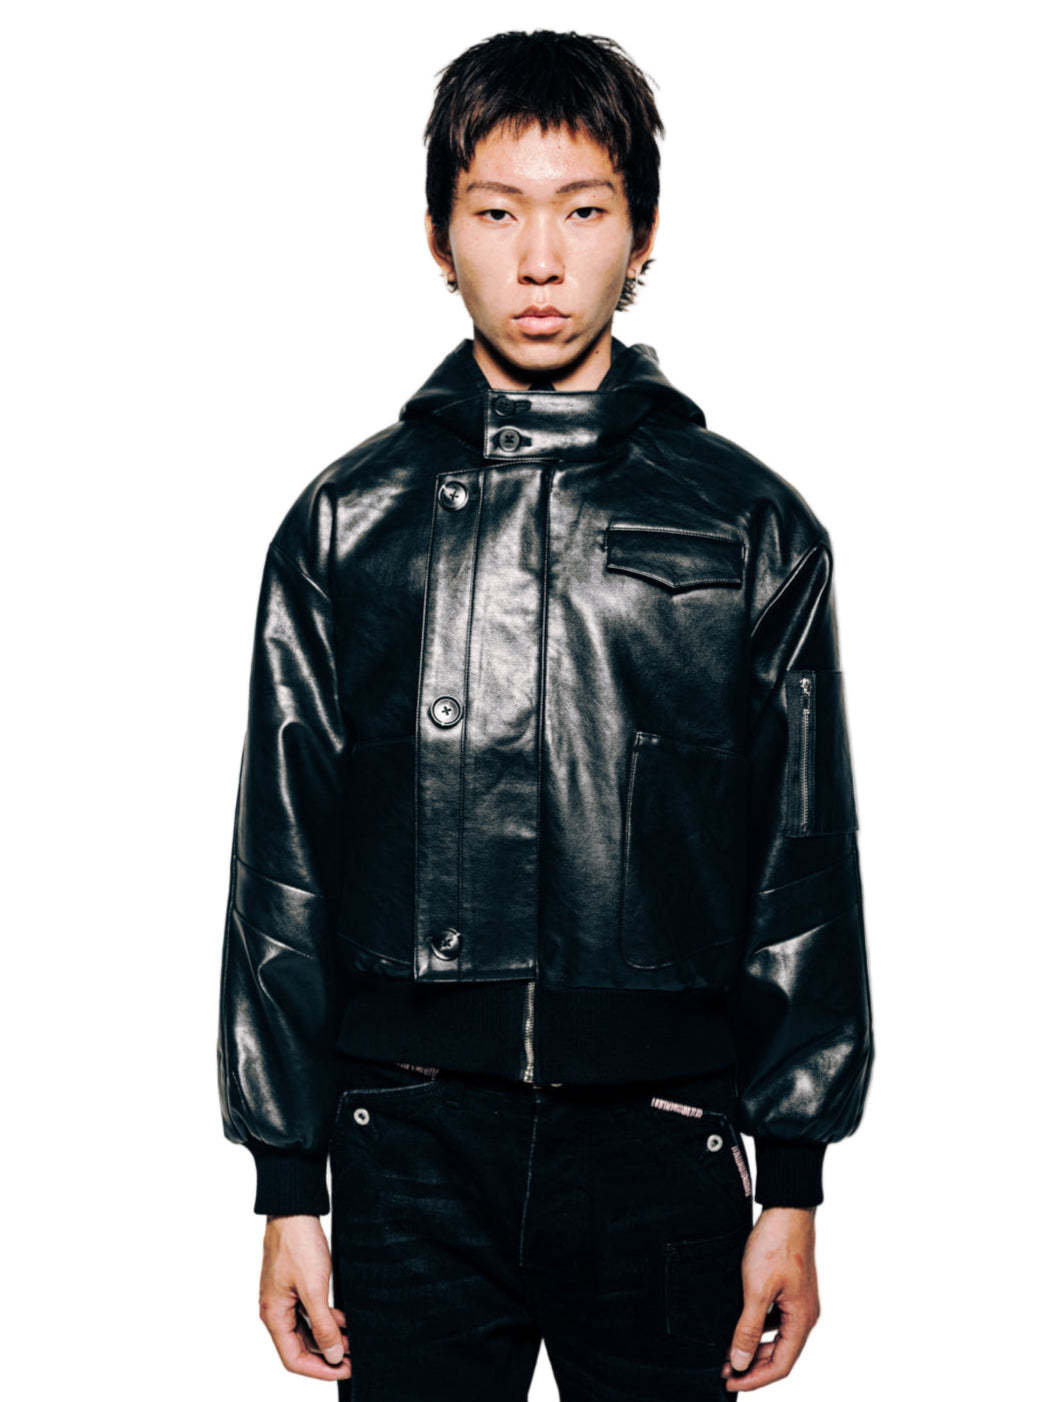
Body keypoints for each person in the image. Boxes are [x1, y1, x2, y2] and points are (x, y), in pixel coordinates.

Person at [216, 28, 874, 1400]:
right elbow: (281, 864)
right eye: (496, 212)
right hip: (405, 1150)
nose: (538, 259)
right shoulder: (347, 524)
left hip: (665, 1146)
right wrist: (287, 1183)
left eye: (582, 211)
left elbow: (803, 864)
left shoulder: (751, 525)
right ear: (436, 235)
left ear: (643, 236)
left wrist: (794, 1182)